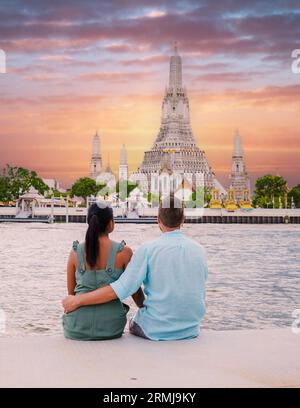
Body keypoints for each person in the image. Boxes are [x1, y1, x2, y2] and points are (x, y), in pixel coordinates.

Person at [63, 195, 208, 341]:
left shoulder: (147, 250)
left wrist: (78, 300)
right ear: (183, 219)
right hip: (190, 328)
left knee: (134, 322)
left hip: (155, 329)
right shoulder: (200, 251)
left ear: (158, 219)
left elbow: (122, 288)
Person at [62, 203, 144, 340]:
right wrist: (145, 308)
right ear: (111, 224)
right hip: (111, 328)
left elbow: (71, 296)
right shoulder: (124, 252)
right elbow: (135, 292)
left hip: (76, 327)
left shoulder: (75, 252)